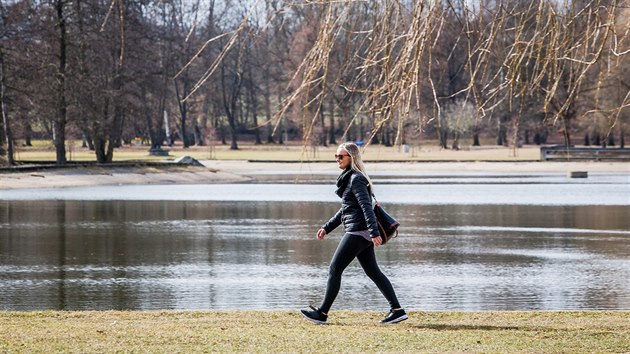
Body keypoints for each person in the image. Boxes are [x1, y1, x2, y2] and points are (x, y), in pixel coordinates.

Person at [300, 142, 407, 325]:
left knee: (335, 269)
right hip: (360, 231)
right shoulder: (350, 178)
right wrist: (327, 227)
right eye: (336, 156)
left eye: (340, 156)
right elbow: (346, 210)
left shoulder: (356, 179)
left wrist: (374, 232)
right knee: (373, 272)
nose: (337, 159)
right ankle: (397, 310)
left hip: (358, 231)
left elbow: (367, 207)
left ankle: (322, 313)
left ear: (352, 158)